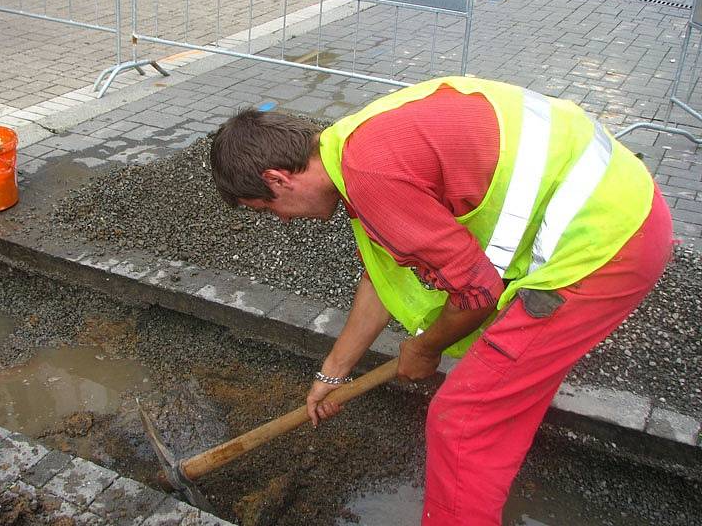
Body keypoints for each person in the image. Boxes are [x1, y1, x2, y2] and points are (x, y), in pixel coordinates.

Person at [209, 76, 673, 525]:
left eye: (267, 208)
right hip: (620, 212)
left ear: (277, 178)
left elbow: (479, 294)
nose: (282, 221)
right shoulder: (351, 148)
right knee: (497, 392)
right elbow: (381, 278)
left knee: (463, 423)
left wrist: (424, 347)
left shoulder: (370, 173)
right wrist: (332, 373)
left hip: (605, 246)